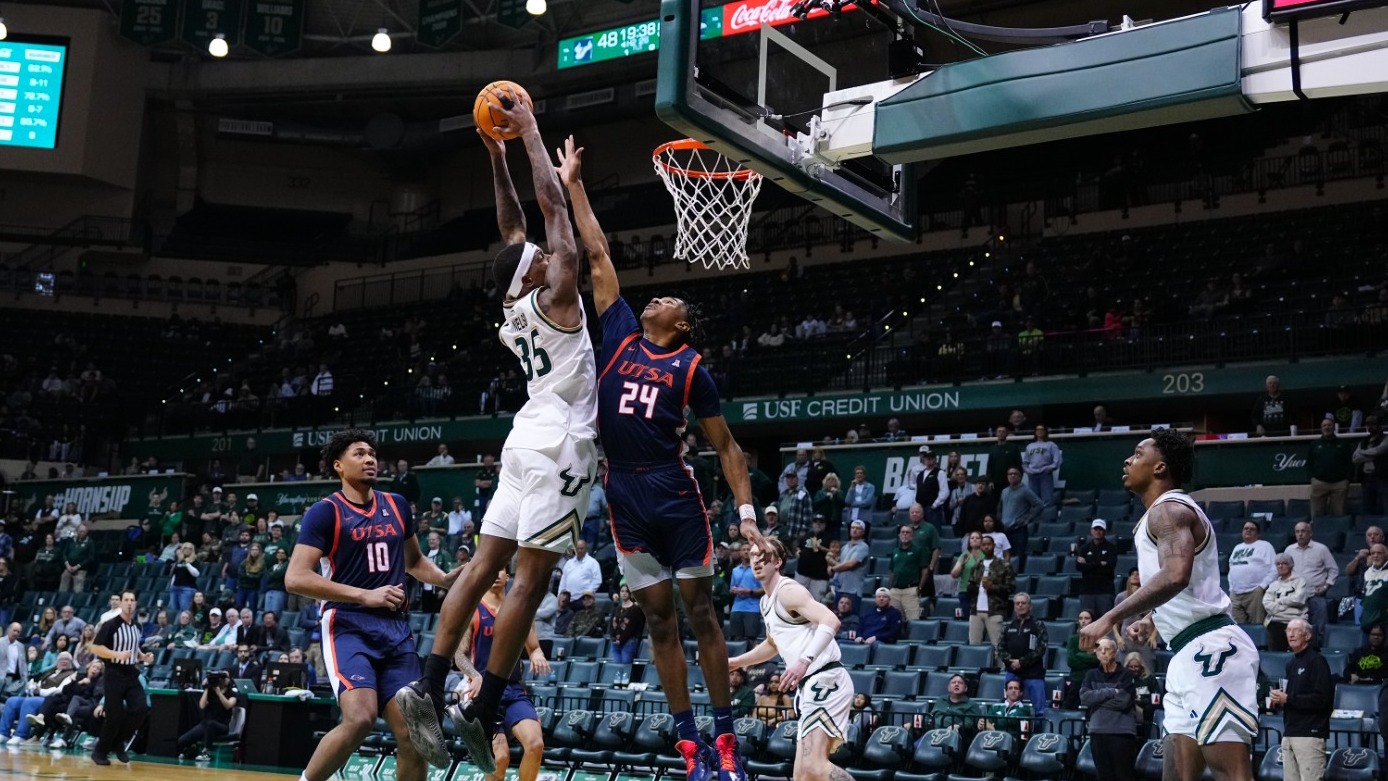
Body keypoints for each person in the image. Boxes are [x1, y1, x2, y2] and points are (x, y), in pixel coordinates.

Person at [396, 99, 601, 774]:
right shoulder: (561, 292)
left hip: (524, 435)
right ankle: (482, 707)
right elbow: (551, 217)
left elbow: (514, 227)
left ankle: (426, 684)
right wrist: (533, 134)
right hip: (563, 441)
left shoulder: (517, 304)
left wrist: (495, 156)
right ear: (539, 273)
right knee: (529, 581)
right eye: (541, 258)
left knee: (483, 566)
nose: (546, 252)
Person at [1081, 430, 1258, 781]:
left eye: (1137, 453)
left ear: (1160, 467)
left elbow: (1177, 574)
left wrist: (1111, 616)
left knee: (1231, 773)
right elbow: (1188, 584)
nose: (1127, 460)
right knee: (1177, 773)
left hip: (1213, 648)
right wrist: (1153, 617)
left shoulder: (1169, 510)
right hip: (1185, 650)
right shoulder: (1160, 515)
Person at [286, 430, 460, 781]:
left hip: (395, 630)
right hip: (347, 624)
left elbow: (414, 561)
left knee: (415, 732)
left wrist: (444, 579)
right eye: (359, 454)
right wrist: (366, 594)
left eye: (372, 454)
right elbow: (295, 578)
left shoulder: (396, 504)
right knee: (360, 718)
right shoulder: (325, 512)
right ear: (338, 466)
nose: (369, 459)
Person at [728, 538, 854, 781]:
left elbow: (831, 621)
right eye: (753, 555)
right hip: (810, 685)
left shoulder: (788, 591)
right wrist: (735, 663)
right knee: (802, 776)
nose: (757, 560)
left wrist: (804, 661)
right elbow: (773, 644)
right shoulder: (766, 602)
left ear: (778, 562)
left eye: (764, 556)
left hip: (825, 678)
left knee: (816, 768)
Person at [451, 567, 549, 781]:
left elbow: (533, 647)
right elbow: (459, 656)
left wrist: (537, 654)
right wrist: (474, 675)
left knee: (535, 744)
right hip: (483, 691)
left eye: (500, 570)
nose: (495, 574)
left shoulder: (519, 610)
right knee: (500, 757)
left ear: (507, 576)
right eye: (492, 570)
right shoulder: (474, 609)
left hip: (512, 689)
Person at [88, 591, 155, 765]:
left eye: (132, 600)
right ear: (121, 603)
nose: (129, 603)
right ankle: (99, 752)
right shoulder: (110, 625)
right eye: (126, 600)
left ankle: (118, 741)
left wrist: (143, 657)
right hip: (113, 673)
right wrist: (115, 653)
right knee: (114, 717)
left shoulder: (137, 626)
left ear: (135, 603)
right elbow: (95, 648)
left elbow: (133, 650)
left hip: (131, 673)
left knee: (141, 709)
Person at [1269, 619, 1332, 781]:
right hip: (1290, 732)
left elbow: (1322, 699)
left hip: (1310, 734)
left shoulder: (1317, 661)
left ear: (1308, 635)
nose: (1291, 634)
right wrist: (1280, 698)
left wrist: (1288, 699)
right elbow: (1293, 697)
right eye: (1288, 630)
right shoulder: (1291, 663)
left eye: (1296, 630)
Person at [1080, 638, 1139, 780]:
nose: (1103, 652)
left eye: (1107, 649)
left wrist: (1097, 700)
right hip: (1097, 732)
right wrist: (1111, 692)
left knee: (1123, 776)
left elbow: (1123, 702)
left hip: (1122, 733)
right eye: (1099, 649)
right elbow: (1085, 698)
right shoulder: (1091, 675)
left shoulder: (1127, 675)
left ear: (1115, 652)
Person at [995, 593, 1049, 717]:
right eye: (1017, 603)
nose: (1020, 605)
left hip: (1034, 674)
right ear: (1014, 607)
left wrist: (1022, 662)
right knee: (1009, 707)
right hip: (1012, 673)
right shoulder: (1008, 626)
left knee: (1039, 711)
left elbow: (1041, 648)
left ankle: (1039, 735)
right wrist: (1011, 662)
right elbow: (1000, 648)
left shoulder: (1038, 625)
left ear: (1030, 606)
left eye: (1023, 603)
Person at [1284, 521, 1337, 645]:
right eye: (1297, 532)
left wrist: (1327, 585)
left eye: (1303, 531)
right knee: (1296, 629)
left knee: (1319, 628)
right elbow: (1284, 571)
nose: (1300, 534)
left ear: (1310, 533)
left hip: (1315, 595)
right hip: (1295, 596)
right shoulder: (1289, 550)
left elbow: (1333, 569)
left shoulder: (1321, 549)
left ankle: (1318, 649)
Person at [176, 671, 240, 761]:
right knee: (182, 740)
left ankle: (206, 752)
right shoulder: (210, 692)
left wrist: (219, 693)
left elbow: (228, 705)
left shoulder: (232, 693)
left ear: (229, 680)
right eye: (221, 677)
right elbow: (202, 706)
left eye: (225, 677)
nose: (223, 679)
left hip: (222, 726)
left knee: (211, 724)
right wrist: (207, 688)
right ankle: (193, 748)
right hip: (206, 724)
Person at [966, 535, 1014, 646]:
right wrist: (975, 587)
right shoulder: (977, 564)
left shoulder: (1004, 565)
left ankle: (1000, 664)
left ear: (994, 546)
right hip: (975, 611)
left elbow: (1010, 587)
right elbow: (970, 585)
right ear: (981, 547)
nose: (986, 547)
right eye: (984, 545)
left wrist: (991, 587)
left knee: (998, 646)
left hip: (995, 611)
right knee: (973, 645)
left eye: (989, 544)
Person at [1227, 521, 1276, 625]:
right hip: (1235, 594)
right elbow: (1231, 568)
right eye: (1246, 528)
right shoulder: (1237, 547)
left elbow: (1274, 569)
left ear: (1258, 533)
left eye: (1252, 529)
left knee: (1257, 624)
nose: (1248, 530)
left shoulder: (1265, 546)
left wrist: (1262, 586)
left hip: (1255, 592)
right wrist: (1231, 588)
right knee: (1238, 627)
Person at [1307, 418, 1354, 518]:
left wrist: (1347, 479)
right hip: (1319, 483)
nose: (1327, 427)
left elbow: (1350, 463)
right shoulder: (1314, 444)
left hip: (1339, 484)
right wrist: (1312, 478)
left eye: (1329, 425)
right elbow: (1309, 463)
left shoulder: (1343, 444)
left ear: (1334, 427)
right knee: (1316, 515)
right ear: (1321, 428)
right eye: (1324, 425)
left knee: (1339, 514)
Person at [1075, 519, 1118, 617]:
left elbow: (1109, 567)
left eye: (1100, 529)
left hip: (1105, 591)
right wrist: (1099, 563)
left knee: (1106, 621)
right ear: (1091, 531)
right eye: (1095, 529)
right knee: (1086, 621)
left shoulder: (1111, 548)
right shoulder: (1084, 548)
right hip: (1087, 591)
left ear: (1105, 531)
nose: (1098, 531)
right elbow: (1079, 567)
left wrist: (1088, 564)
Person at [1064, 610, 1100, 709]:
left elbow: (1097, 660)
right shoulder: (1073, 639)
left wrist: (1079, 654)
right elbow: (1071, 661)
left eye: (1086, 618)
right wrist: (1089, 657)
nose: (1083, 621)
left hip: (1094, 679)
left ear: (1093, 621)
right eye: (1080, 618)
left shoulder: (1099, 639)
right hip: (1076, 678)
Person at [1022, 425, 1063, 507]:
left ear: (1045, 432)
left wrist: (1051, 468)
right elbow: (1025, 462)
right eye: (1038, 429)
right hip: (1032, 475)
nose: (1040, 431)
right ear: (1035, 432)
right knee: (1034, 499)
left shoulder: (1051, 445)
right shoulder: (1030, 446)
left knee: (1047, 499)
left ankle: (1047, 516)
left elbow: (1057, 459)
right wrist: (1027, 471)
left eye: (1042, 429)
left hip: (1045, 474)